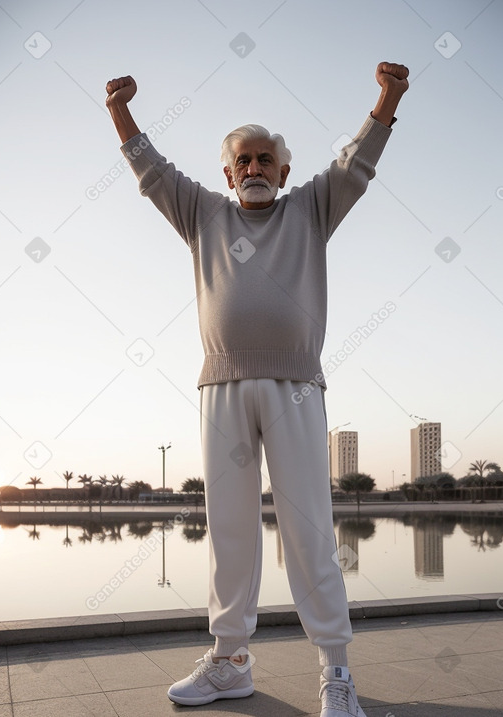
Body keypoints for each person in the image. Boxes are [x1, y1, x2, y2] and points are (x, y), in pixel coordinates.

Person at [106, 61, 409, 717]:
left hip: (295, 384)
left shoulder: (311, 208)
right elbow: (152, 171)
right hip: (222, 386)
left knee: (309, 528)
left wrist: (387, 98)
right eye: (243, 159)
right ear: (228, 173)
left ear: (283, 170)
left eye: (266, 158)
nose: (254, 166)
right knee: (229, 531)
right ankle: (230, 661)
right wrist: (120, 112)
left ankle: (335, 671)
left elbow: (356, 165)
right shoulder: (202, 213)